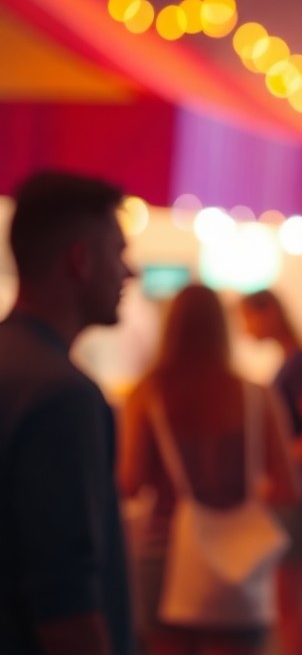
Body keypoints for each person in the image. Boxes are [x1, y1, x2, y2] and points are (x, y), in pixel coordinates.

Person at [119, 284, 302, 654]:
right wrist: (245, 492)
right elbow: (289, 489)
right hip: (238, 560)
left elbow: (130, 482)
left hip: (165, 553)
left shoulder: (146, 395)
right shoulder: (255, 396)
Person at [0, 172, 136, 655]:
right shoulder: (64, 396)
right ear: (81, 259)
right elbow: (67, 603)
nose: (130, 272)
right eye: (119, 252)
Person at [240, 289, 302, 655]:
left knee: (288, 601)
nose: (246, 328)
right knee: (290, 602)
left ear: (270, 315)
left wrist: (283, 463)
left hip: (301, 490)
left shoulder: (298, 365)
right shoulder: (293, 362)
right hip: (300, 488)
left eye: (249, 317)